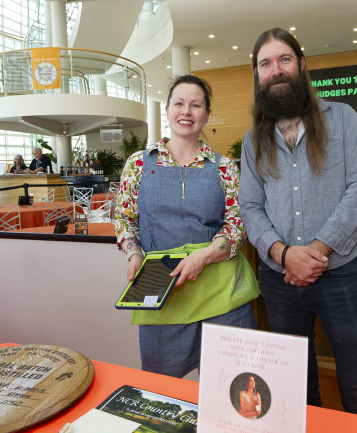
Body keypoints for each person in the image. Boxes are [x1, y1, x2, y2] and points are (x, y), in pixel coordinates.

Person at [239, 28, 357, 417]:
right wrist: (285, 255)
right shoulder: (252, 141)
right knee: (295, 387)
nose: (276, 70)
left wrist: (314, 252)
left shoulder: (343, 118)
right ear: (258, 75)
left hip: (342, 274)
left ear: (301, 64)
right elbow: (249, 206)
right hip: (280, 282)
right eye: (265, 64)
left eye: (284, 59)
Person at [113, 74, 260, 379]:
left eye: (196, 105)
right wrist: (134, 254)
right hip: (162, 288)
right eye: (179, 103)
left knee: (232, 385)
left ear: (206, 114)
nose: (186, 111)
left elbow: (237, 225)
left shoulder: (224, 167)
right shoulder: (139, 163)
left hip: (222, 291)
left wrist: (203, 257)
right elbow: (125, 220)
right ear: (167, 109)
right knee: (161, 388)